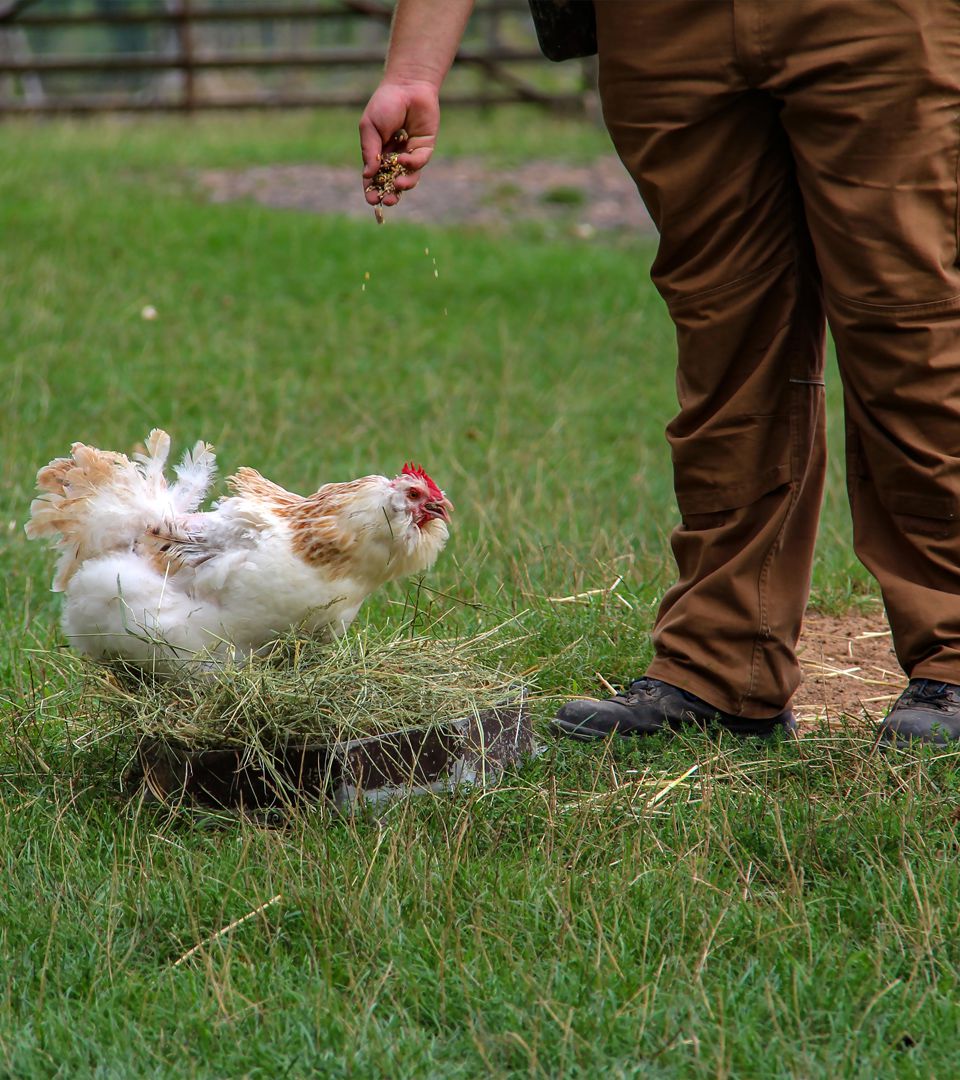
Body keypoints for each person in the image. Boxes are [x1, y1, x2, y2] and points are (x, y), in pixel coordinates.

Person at [359, 0, 960, 745]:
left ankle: (955, 653)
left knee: (909, 320)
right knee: (724, 338)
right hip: (663, 22)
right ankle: (720, 666)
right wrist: (415, 69)